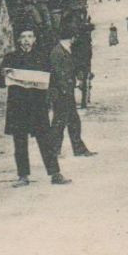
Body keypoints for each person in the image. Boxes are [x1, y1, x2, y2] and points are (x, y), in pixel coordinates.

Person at [0, 27, 68, 186]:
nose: (27, 40)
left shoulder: (42, 58)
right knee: (19, 142)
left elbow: (52, 81)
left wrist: (51, 96)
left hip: (37, 106)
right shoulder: (10, 58)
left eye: (30, 36)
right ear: (18, 40)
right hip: (17, 106)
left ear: (35, 39)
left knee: (45, 140)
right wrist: (3, 76)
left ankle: (55, 174)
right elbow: (0, 83)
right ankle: (23, 176)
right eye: (23, 36)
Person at [45, 23, 96, 160]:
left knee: (70, 121)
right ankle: (55, 150)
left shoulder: (63, 50)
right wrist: (66, 88)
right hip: (61, 93)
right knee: (60, 121)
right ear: (71, 38)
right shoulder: (58, 52)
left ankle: (75, 148)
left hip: (66, 92)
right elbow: (58, 73)